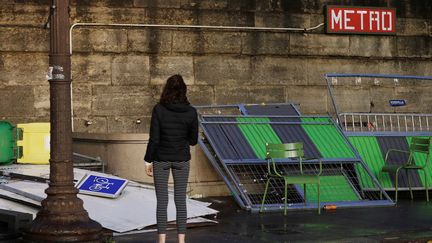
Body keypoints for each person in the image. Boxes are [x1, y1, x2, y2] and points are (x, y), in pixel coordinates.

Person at [144, 74, 198, 243]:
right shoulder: (191, 112)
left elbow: (154, 139)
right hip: (182, 159)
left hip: (161, 159)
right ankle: (181, 241)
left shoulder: (158, 109)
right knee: (180, 201)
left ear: (166, 89)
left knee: (162, 202)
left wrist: (147, 160)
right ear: (184, 90)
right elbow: (194, 140)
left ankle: (162, 241)